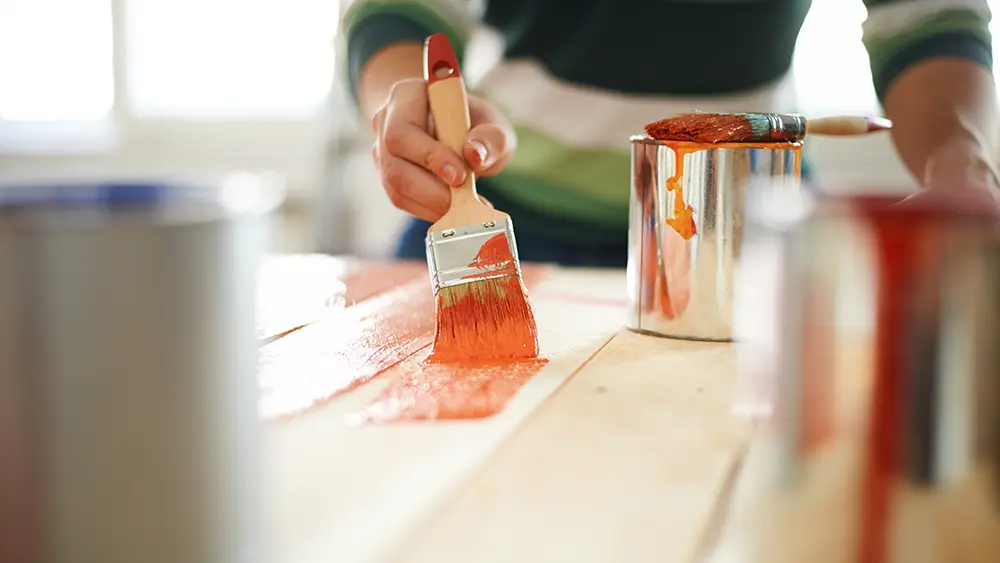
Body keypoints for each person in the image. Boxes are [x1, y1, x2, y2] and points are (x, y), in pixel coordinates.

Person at [339, 0, 999, 267]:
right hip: (507, 227)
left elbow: (929, 18)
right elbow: (401, 10)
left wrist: (956, 154)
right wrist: (411, 110)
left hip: (751, 240)